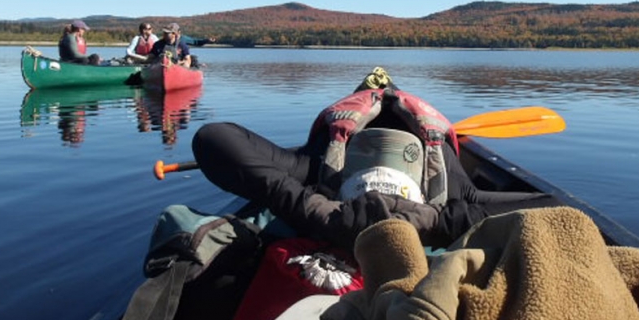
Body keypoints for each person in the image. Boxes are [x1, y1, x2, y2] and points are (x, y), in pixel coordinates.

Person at [191, 68, 562, 250]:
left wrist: (314, 209)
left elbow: (214, 138)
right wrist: (436, 221)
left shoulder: (318, 155)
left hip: (336, 211)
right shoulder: (448, 168)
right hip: (433, 212)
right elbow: (555, 208)